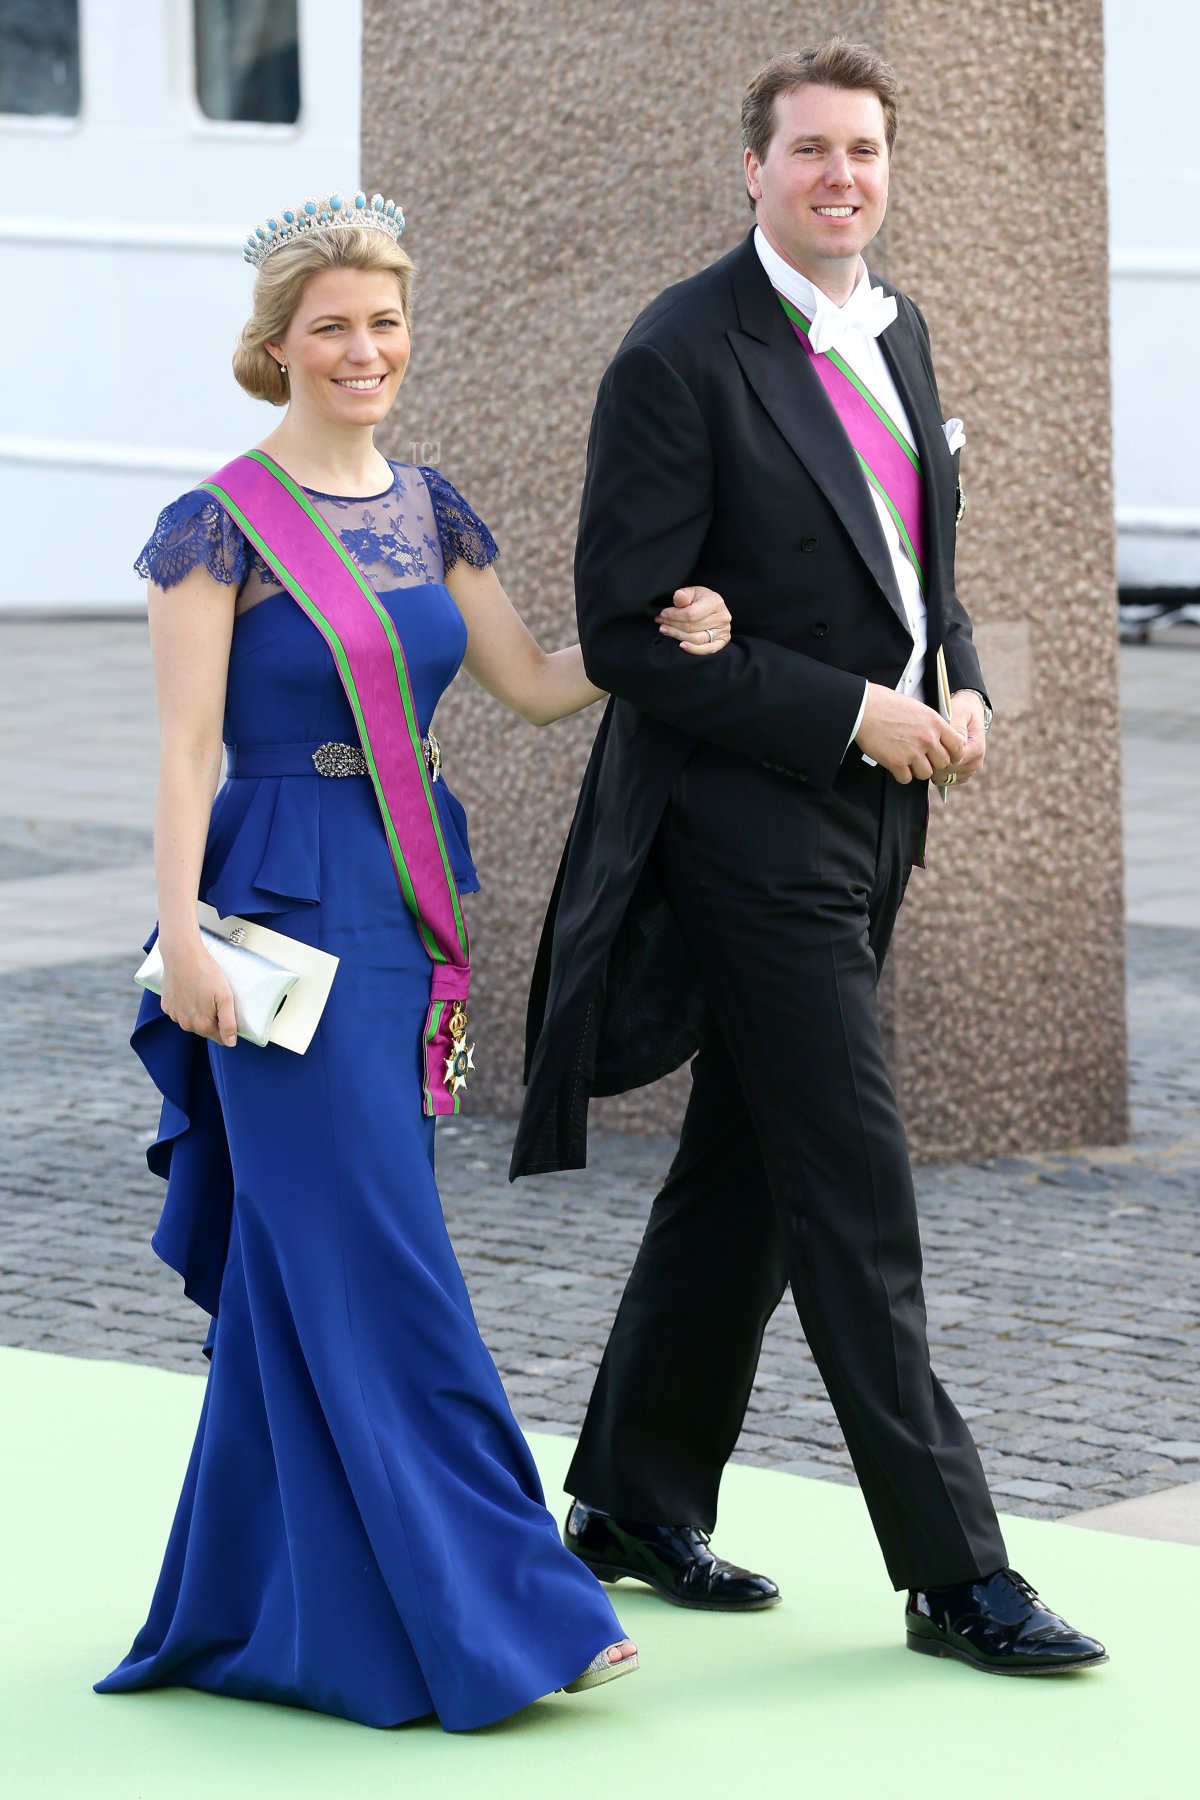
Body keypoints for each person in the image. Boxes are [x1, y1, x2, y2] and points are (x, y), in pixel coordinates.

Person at [94, 191, 734, 1732]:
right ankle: (520, 1598)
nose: (363, 347)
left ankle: (256, 1608)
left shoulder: (431, 508)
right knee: (378, 1255)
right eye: (333, 325)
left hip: (405, 904)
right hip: (270, 921)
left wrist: (671, 629)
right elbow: (184, 755)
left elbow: (530, 686)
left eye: (383, 321)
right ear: (279, 345)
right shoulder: (219, 525)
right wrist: (178, 937)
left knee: (299, 1268)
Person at [511, 42, 1107, 1676]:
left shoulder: (897, 325)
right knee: (855, 1188)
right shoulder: (677, 353)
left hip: (873, 819)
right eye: (811, 153)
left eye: (864, 153)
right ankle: (957, 1575)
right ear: (753, 170)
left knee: (754, 1173)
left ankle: (632, 1496)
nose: (842, 177)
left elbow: (924, 568)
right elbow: (633, 630)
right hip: (745, 826)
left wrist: (963, 682)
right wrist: (857, 711)